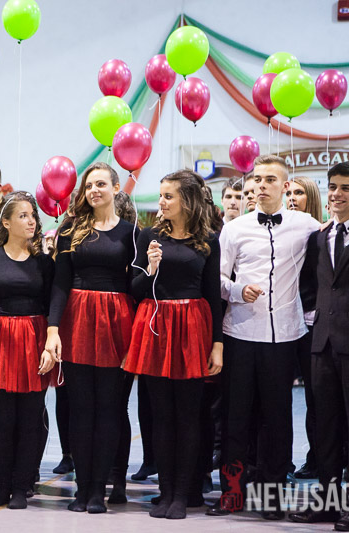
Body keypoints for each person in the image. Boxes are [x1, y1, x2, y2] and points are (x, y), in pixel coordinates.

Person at [210, 155, 320, 520]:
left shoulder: (305, 225)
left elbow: (338, 231)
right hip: (240, 334)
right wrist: (238, 290)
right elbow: (217, 279)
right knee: (235, 419)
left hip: (285, 337)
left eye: (270, 179)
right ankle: (232, 493)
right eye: (257, 178)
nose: (261, 185)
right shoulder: (234, 229)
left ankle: (272, 496)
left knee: (278, 421)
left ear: (285, 186)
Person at [123, 170, 223, 519]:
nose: (161, 202)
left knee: (189, 416)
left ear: (187, 200)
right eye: (161, 195)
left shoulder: (208, 239)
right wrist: (150, 268)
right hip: (156, 327)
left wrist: (217, 344)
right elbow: (134, 290)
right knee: (161, 416)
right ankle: (165, 492)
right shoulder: (149, 236)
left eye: (168, 196)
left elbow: (212, 295)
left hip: (192, 327)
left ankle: (183, 494)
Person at [290, 162, 349, 531]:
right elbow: (312, 286)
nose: (336, 194)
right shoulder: (320, 237)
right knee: (324, 428)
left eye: (345, 188)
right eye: (332, 187)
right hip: (322, 343)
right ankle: (328, 503)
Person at [44, 162, 137, 513]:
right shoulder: (71, 229)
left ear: (116, 188)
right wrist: (53, 329)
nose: (94, 190)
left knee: (110, 409)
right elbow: (60, 282)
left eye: (100, 184)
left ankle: (99, 489)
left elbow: (135, 285)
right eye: (88, 186)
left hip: (116, 320)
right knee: (81, 409)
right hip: (77, 318)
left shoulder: (132, 233)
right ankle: (82, 489)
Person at [0, 192, 56, 510]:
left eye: (33, 215)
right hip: (1, 339)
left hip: (33, 338)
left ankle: (23, 487)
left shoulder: (43, 262)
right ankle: (2, 486)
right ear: (6, 222)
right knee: (2, 420)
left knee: (30, 419)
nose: (31, 221)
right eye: (23, 216)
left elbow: (50, 306)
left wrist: (49, 345)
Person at [282, 175, 323, 481]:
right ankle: (280, 461)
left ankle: (318, 457)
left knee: (316, 398)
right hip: (282, 324)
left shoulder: (320, 234)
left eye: (299, 193)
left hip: (311, 322)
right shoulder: (281, 233)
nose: (292, 198)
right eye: (290, 193)